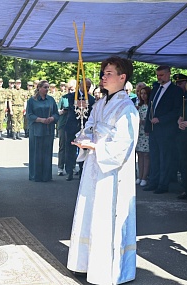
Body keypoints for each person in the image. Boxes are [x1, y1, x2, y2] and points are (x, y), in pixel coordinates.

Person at [67, 56, 139, 285]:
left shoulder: (128, 109)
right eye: (103, 73)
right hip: (93, 167)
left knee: (106, 216)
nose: (103, 77)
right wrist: (83, 138)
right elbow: (90, 127)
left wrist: (96, 146)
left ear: (122, 77)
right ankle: (85, 264)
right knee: (90, 212)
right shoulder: (99, 104)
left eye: (109, 73)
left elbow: (124, 145)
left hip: (112, 172)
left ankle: (109, 270)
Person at [143, 66, 183, 194]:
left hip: (167, 130)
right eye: (158, 75)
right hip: (154, 130)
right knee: (154, 156)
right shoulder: (155, 89)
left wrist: (161, 119)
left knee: (165, 157)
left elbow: (177, 110)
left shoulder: (176, 91)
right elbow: (150, 108)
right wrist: (147, 126)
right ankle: (153, 182)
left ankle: (163, 184)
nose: (159, 78)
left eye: (161, 75)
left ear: (168, 74)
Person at [26, 80, 59, 182]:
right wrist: (40, 119)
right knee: (36, 153)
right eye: (45, 87)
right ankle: (35, 175)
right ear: (39, 88)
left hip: (48, 130)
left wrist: (52, 118)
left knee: (47, 153)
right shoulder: (32, 101)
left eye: (48, 87)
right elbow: (29, 115)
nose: (47, 89)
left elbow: (56, 113)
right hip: (36, 130)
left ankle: (46, 176)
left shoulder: (51, 100)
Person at [64, 78, 95, 181]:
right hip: (73, 126)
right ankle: (69, 171)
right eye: (85, 86)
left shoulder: (91, 99)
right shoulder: (72, 96)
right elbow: (73, 108)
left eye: (88, 87)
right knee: (70, 149)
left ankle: (82, 171)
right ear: (80, 85)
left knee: (84, 149)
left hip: (85, 127)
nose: (87, 89)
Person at [136, 86, 151, 187]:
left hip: (146, 132)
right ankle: (139, 176)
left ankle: (145, 177)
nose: (143, 95)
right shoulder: (139, 106)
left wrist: (144, 123)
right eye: (141, 93)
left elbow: (150, 119)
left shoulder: (150, 106)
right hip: (139, 132)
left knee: (146, 155)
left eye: (145, 93)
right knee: (140, 155)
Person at [57, 93, 69, 176]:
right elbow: (57, 111)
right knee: (62, 146)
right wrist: (63, 111)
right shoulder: (63, 98)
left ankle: (71, 167)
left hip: (72, 125)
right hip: (62, 124)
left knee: (71, 147)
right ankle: (60, 167)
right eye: (70, 89)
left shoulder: (77, 98)